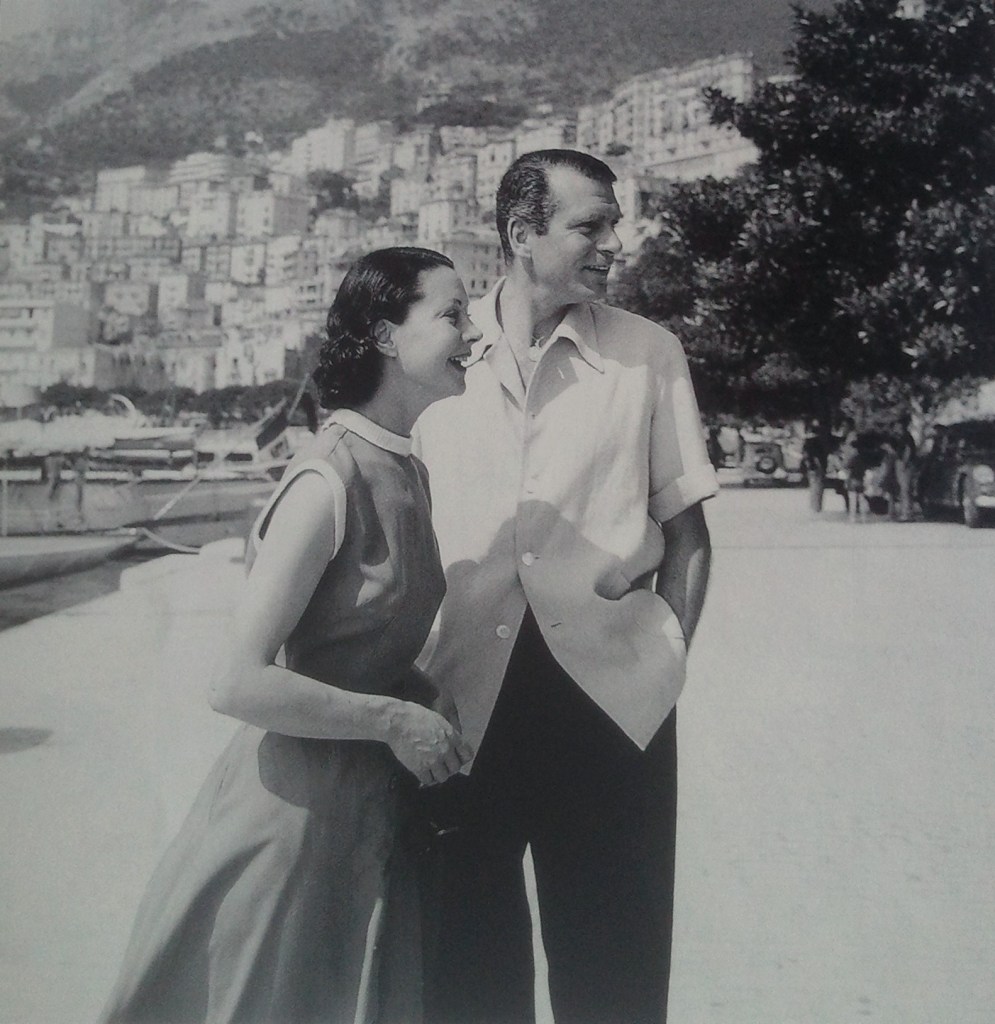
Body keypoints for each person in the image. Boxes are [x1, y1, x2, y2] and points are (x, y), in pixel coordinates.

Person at [98, 247, 479, 1024]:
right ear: (384, 335)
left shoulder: (406, 468)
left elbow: (361, 642)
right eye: (453, 315)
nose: (473, 334)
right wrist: (395, 719)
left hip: (367, 819)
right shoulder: (326, 477)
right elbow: (235, 682)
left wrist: (420, 691)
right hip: (292, 827)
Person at [413, 150, 718, 1024]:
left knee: (615, 981)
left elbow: (689, 535)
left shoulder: (648, 354)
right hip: (455, 707)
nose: (614, 243)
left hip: (612, 705)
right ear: (521, 234)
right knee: (465, 980)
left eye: (614, 224)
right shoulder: (437, 353)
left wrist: (664, 660)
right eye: (591, 226)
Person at [895, 413, 917, 521]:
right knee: (905, 490)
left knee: (905, 489)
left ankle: (906, 513)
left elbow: (908, 450)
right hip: (903, 463)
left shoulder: (906, 436)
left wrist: (904, 462)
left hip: (905, 464)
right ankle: (907, 512)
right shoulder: (903, 437)